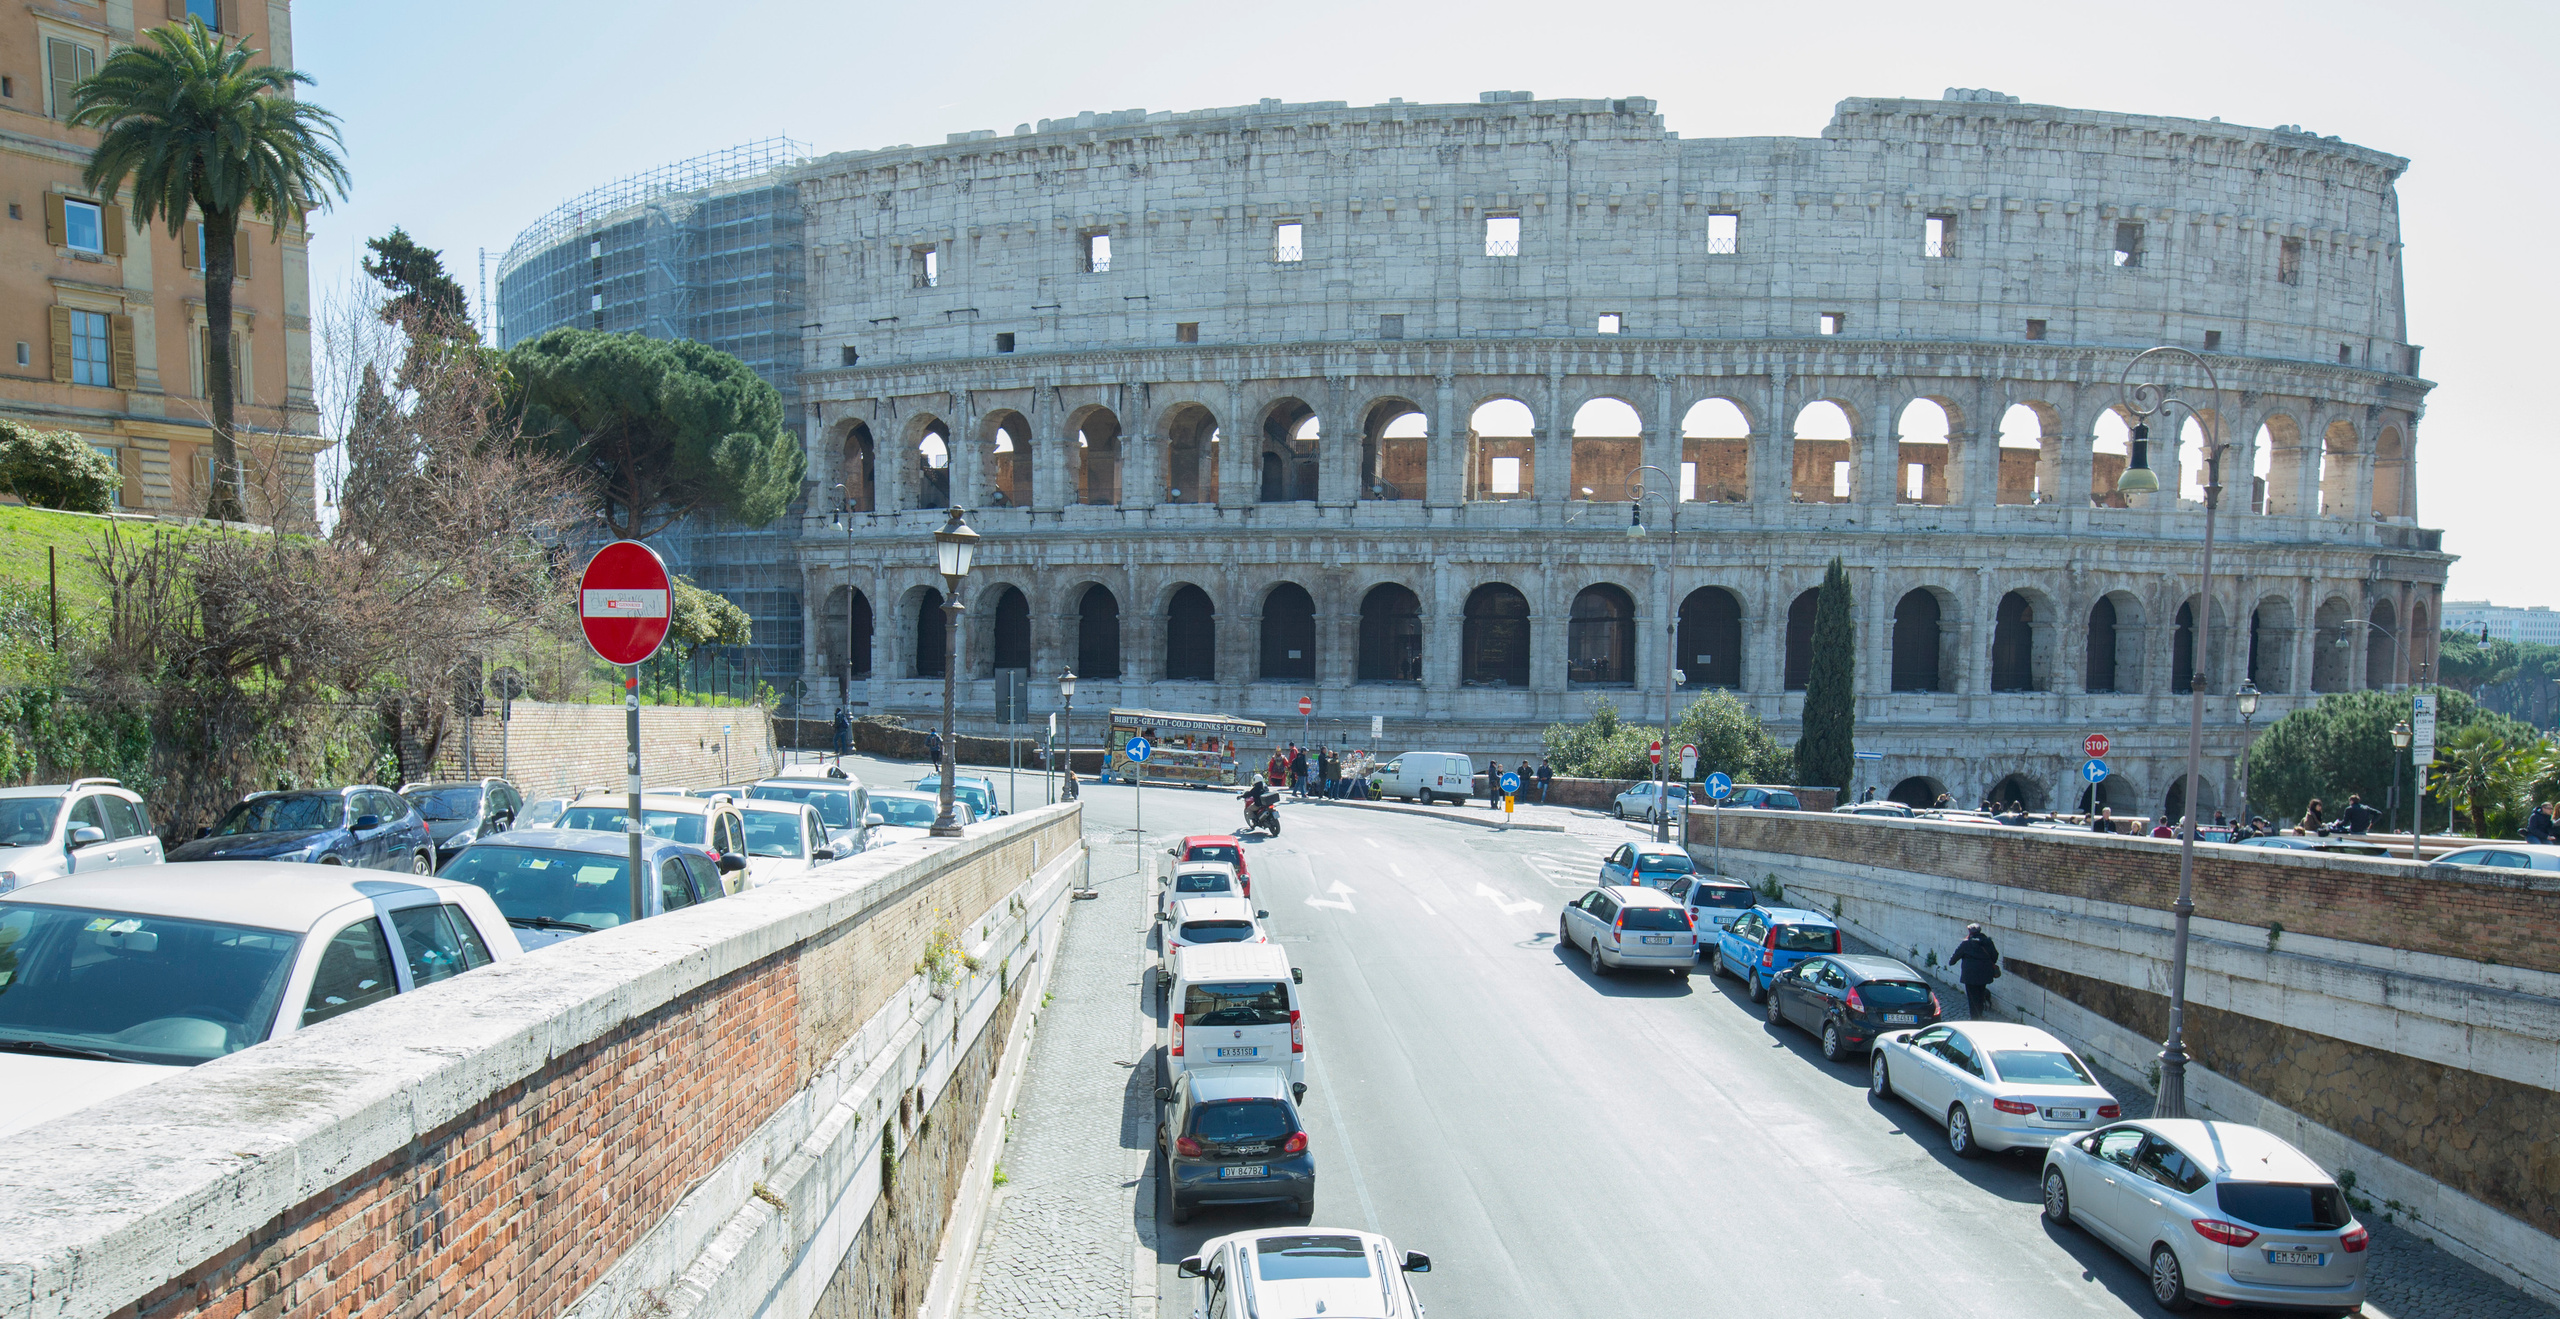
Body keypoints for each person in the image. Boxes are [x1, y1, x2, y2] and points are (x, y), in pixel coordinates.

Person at [1949, 923, 2001, 1019]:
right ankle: (1979, 1014)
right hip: (1984, 974)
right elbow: (1995, 955)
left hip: (1970, 976)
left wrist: (1951, 962)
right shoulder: (1988, 942)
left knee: (1972, 997)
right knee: (1980, 995)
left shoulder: (1966, 943)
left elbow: (1956, 956)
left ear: (1970, 932)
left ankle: (1974, 1017)